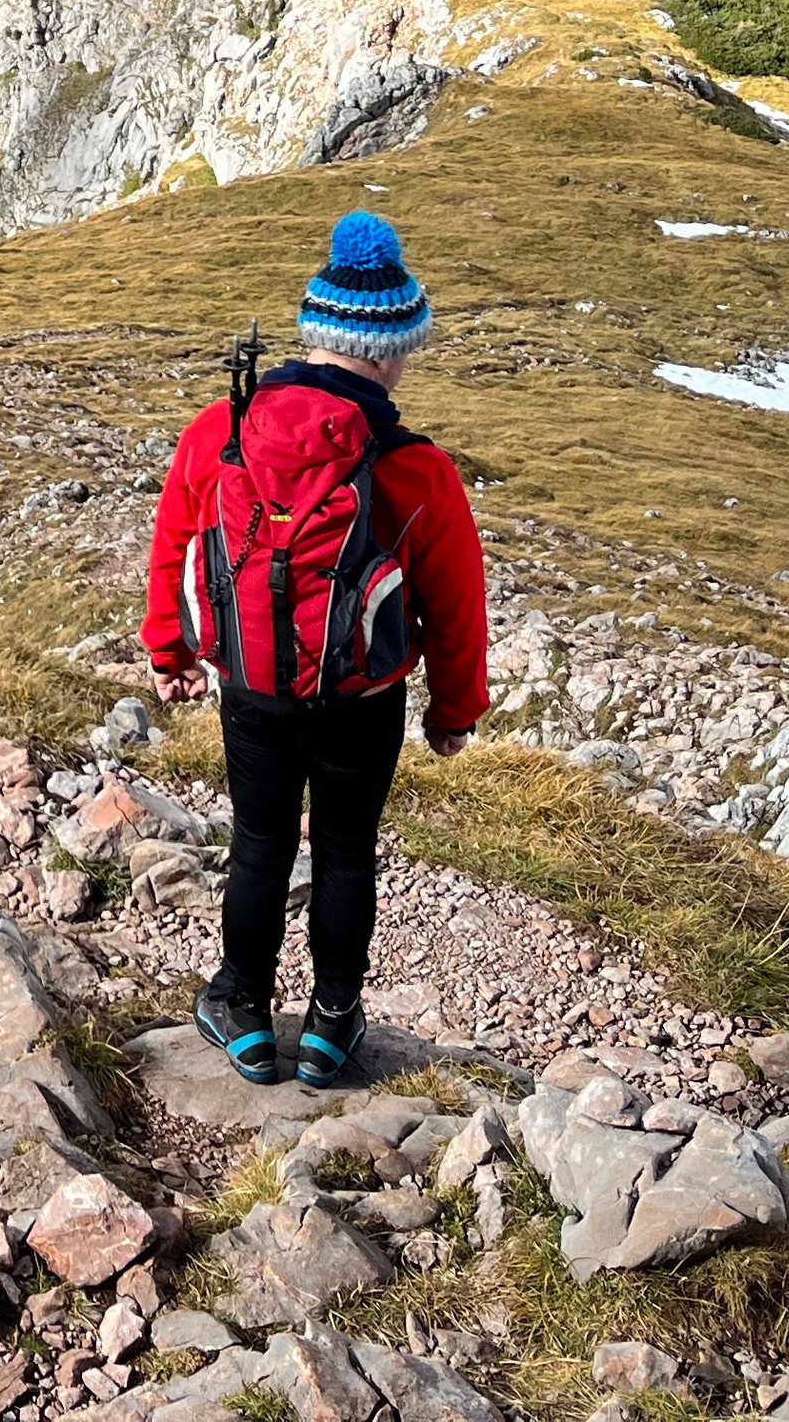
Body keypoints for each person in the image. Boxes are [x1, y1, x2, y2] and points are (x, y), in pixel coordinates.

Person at [140, 208, 490, 1089]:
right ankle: (332, 1025)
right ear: (385, 349)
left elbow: (177, 541)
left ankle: (244, 1012)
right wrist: (454, 712)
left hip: (252, 687)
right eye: (406, 344)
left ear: (313, 334)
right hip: (364, 701)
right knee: (345, 850)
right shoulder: (415, 468)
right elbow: (455, 607)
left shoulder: (221, 431)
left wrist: (171, 652)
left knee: (259, 844)